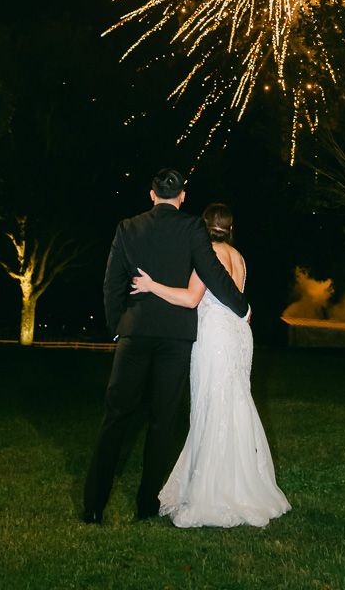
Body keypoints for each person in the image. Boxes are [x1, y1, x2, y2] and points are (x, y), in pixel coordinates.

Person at [82, 169, 250, 524]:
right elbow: (213, 274)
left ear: (151, 194)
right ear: (183, 196)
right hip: (175, 339)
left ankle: (94, 506)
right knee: (162, 422)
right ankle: (146, 505)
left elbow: (111, 284)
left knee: (115, 418)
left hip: (136, 334)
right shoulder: (192, 228)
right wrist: (242, 307)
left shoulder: (127, 227)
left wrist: (117, 328)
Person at [130, 202, 291, 528]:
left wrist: (151, 286)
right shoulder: (238, 256)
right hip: (239, 337)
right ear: (230, 228)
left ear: (203, 227)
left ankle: (212, 492)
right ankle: (245, 484)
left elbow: (190, 298)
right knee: (234, 405)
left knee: (210, 407)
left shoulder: (208, 256)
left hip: (214, 339)